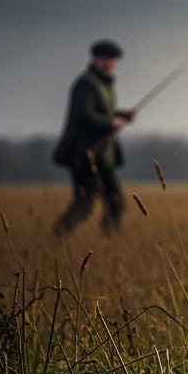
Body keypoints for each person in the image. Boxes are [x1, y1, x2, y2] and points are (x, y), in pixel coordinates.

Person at [52, 39, 135, 236]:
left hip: (102, 155)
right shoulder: (86, 84)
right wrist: (111, 123)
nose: (109, 63)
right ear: (95, 59)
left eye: (112, 60)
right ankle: (57, 237)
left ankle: (111, 241)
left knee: (115, 201)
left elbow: (102, 112)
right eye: (105, 59)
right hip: (85, 154)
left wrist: (120, 115)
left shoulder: (103, 83)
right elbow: (85, 115)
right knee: (85, 202)